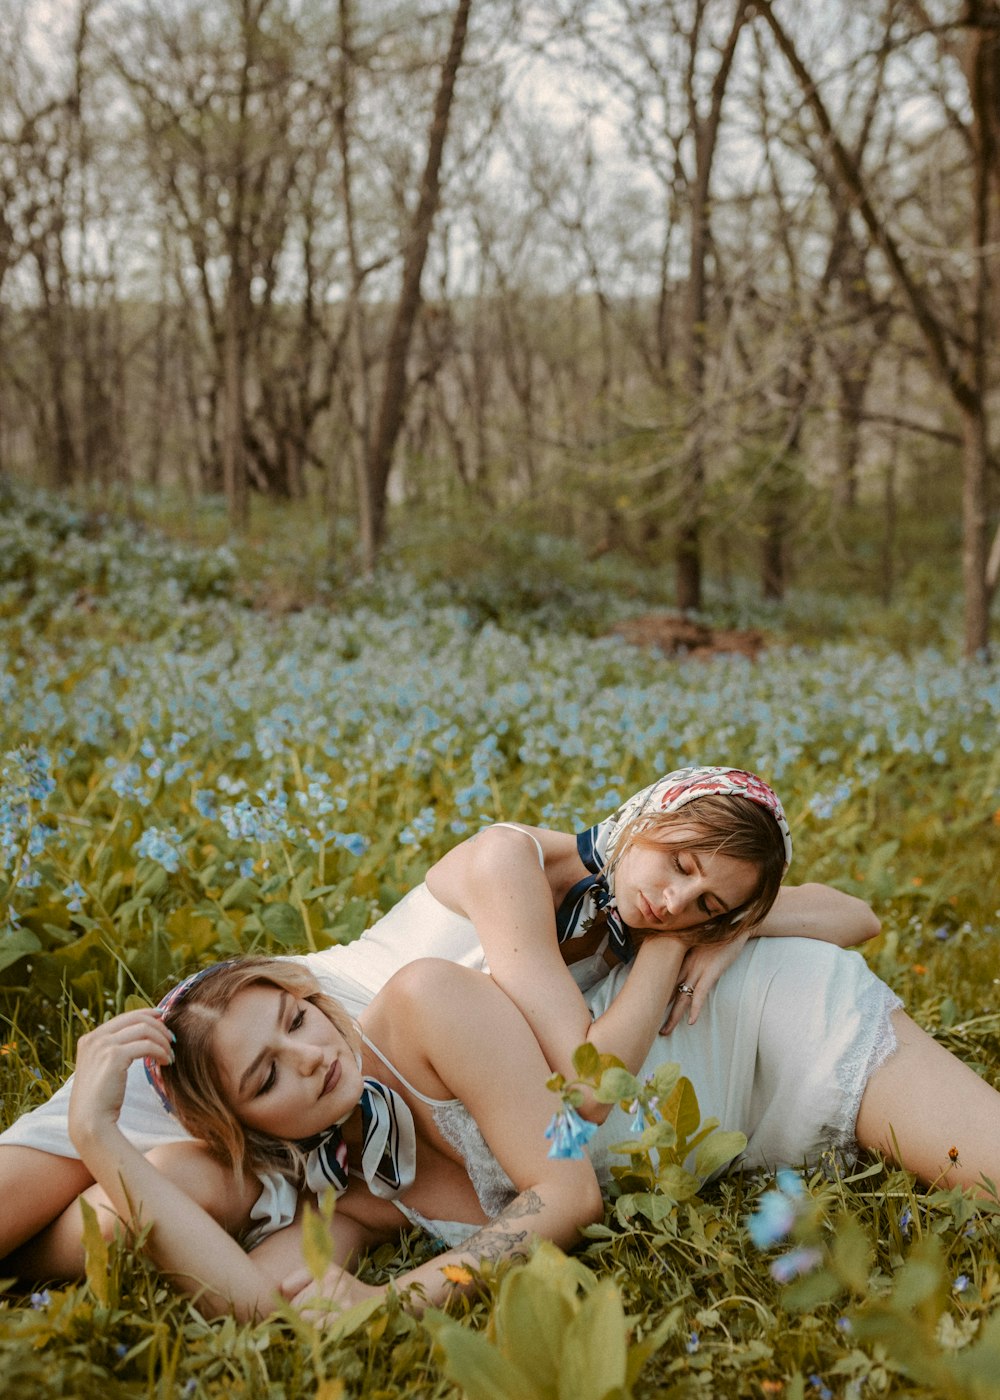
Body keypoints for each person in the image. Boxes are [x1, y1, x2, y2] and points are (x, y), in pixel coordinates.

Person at [0, 766, 879, 1267]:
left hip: (351, 1108)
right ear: (646, 812)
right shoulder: (509, 860)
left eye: (705, 899)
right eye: (681, 862)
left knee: (127, 1226)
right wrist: (672, 953)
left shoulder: (658, 907)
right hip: (283, 1034)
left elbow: (854, 913)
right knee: (31, 1180)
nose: (676, 897)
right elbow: (589, 1082)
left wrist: (725, 928)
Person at [61, 955, 605, 1321]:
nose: (312, 1057)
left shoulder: (426, 1002)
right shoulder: (347, 1195)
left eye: (296, 1021)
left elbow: (569, 1195)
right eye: (268, 1077)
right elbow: (257, 1304)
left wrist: (391, 1299)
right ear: (244, 1129)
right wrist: (96, 1137)